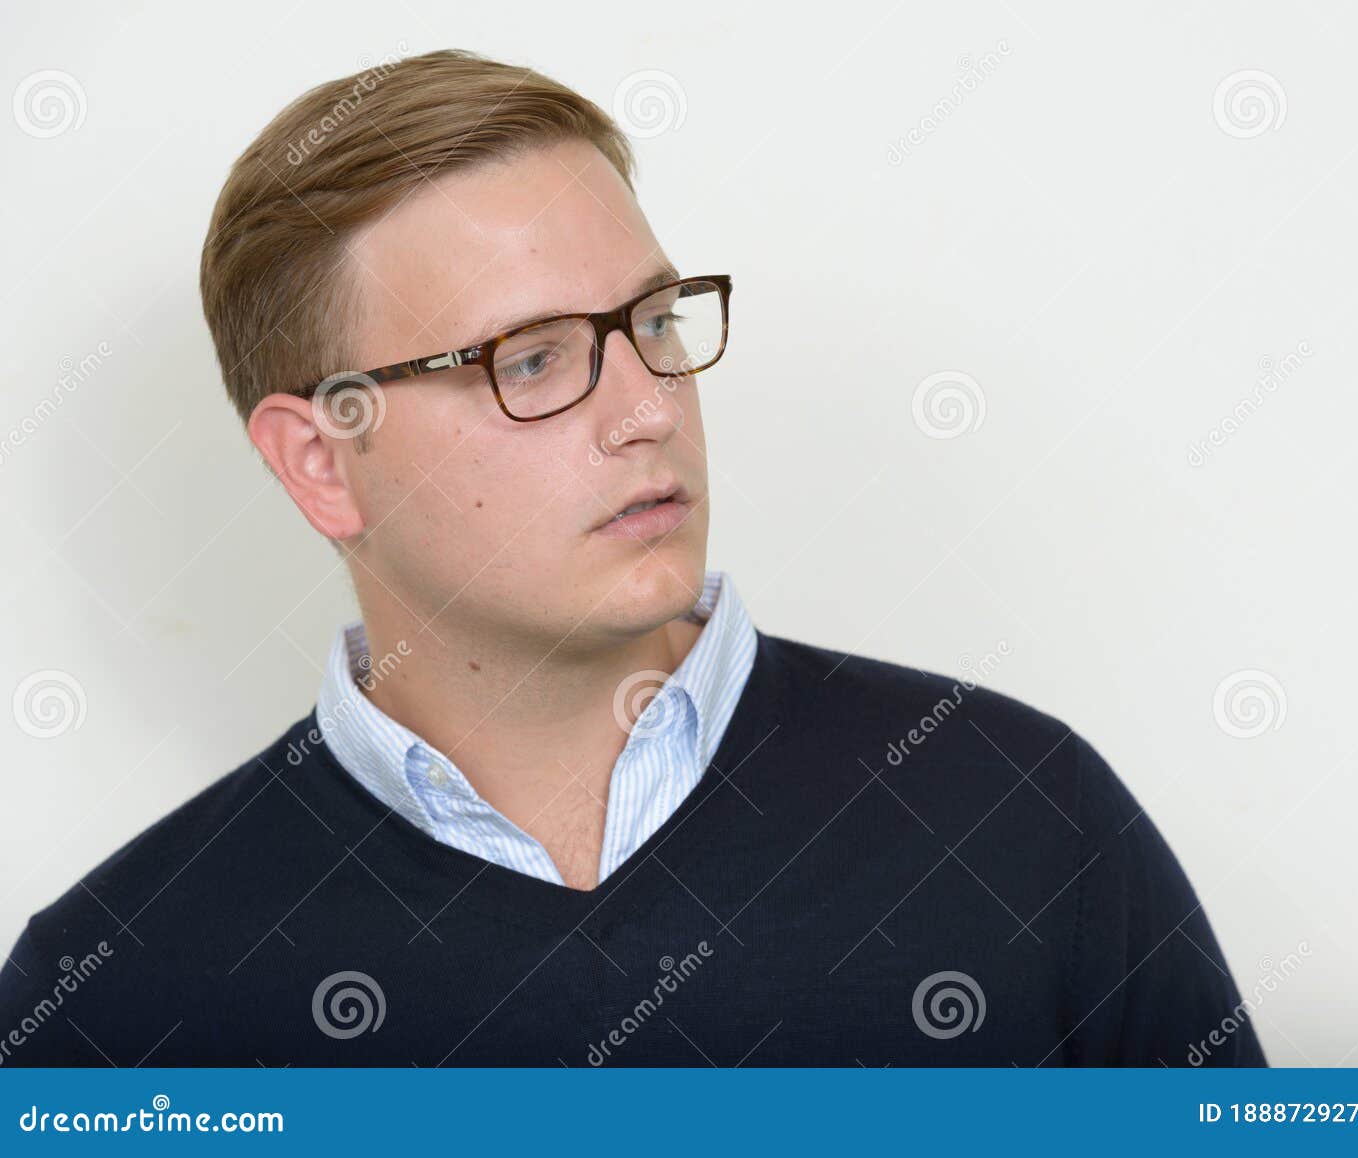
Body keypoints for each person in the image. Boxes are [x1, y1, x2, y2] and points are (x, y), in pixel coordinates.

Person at [0, 49, 1264, 1067]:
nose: (649, 405)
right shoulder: (114, 1001)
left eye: (653, 321)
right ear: (321, 461)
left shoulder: (1018, 817)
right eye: (533, 359)